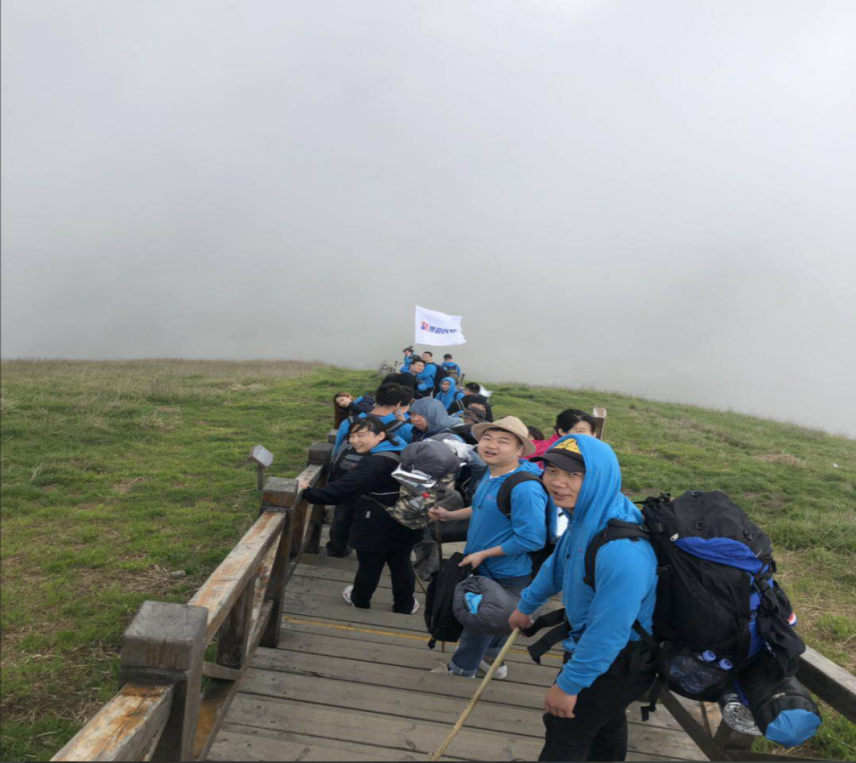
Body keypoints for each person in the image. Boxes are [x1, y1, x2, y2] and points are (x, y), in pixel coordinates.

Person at [507, 435, 657, 762]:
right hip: (600, 647)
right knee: (604, 722)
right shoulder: (587, 515)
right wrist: (527, 605)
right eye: (551, 470)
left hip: (620, 657)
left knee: (565, 727)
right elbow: (559, 563)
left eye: (574, 474)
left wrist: (570, 685)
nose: (557, 483)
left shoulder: (622, 551)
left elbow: (610, 630)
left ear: (600, 477)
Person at [428, 416, 551, 680]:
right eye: (487, 438)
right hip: (483, 563)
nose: (491, 445)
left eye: (503, 441)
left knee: (481, 620)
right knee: (498, 618)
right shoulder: (491, 473)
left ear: (519, 450)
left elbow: (532, 539)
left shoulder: (525, 488)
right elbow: (483, 507)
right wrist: (451, 516)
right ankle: (492, 661)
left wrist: (484, 553)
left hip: (506, 570)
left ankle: (461, 670)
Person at [300, 417, 422, 614]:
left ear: (380, 435)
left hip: (377, 521)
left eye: (361, 435)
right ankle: (404, 605)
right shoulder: (403, 450)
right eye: (352, 436)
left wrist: (308, 493)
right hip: (407, 517)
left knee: (370, 564)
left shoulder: (375, 462)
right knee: (401, 563)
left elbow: (342, 490)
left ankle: (360, 600)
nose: (355, 441)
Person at [333, 383, 414, 454]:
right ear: (398, 404)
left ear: (375, 399)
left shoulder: (348, 422)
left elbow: (337, 450)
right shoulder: (406, 429)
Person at [529, 409, 598, 459]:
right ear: (562, 432)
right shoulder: (555, 452)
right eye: (580, 431)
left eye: (592, 430)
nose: (590, 435)